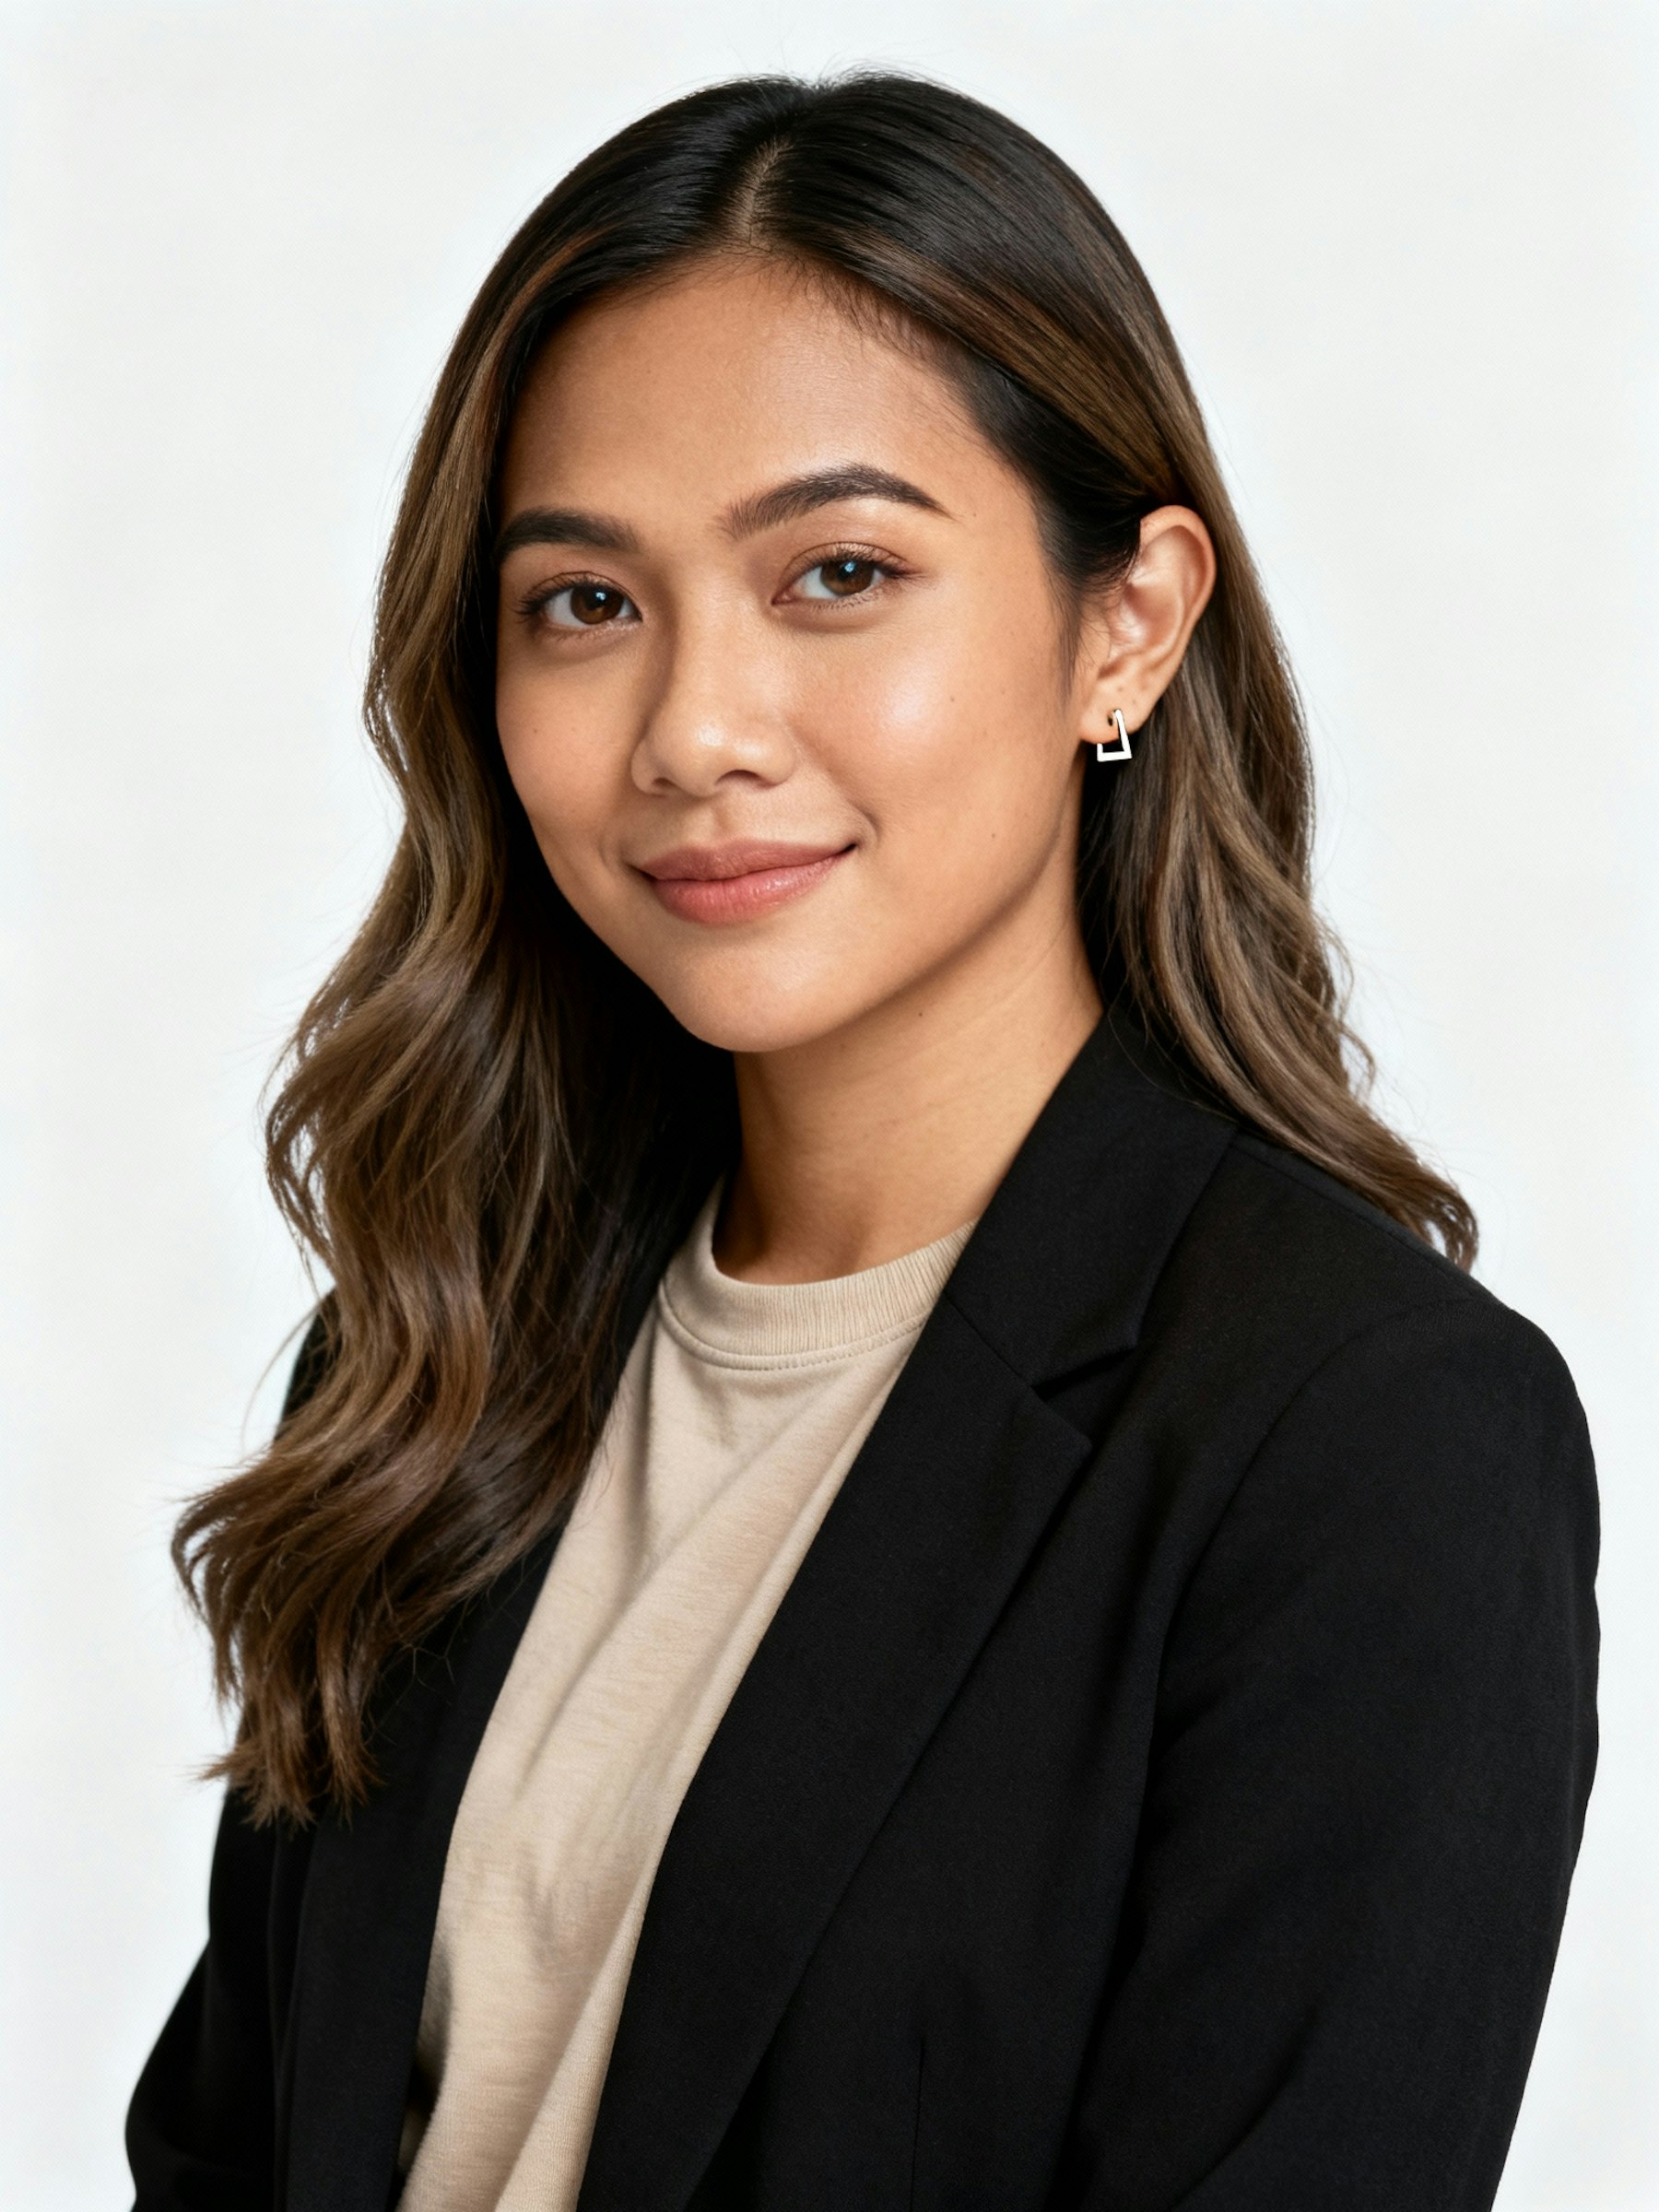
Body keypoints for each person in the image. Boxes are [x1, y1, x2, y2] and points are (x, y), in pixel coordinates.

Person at [125, 70, 1598, 2212]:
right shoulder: (432, 1360)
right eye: (587, 604)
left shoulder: (1362, 1443)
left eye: (835, 572)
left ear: (1130, 619)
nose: (697, 731)